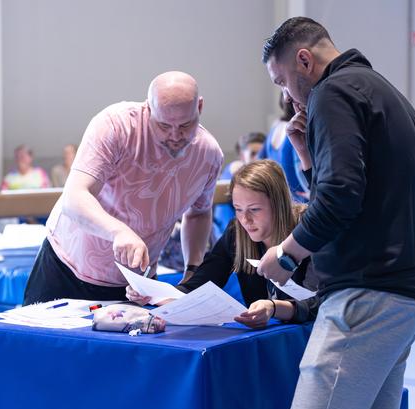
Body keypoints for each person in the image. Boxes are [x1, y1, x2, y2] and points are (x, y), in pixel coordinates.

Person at [259, 17, 415, 409]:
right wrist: (306, 157)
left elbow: (340, 198)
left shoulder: (332, 93)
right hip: (405, 293)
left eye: (282, 82)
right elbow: (361, 192)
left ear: (304, 60)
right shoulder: (383, 93)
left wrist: (285, 256)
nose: (287, 97)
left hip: (367, 296)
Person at [22, 71, 223, 305]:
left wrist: (193, 269)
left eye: (186, 125)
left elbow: (199, 213)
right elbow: (74, 196)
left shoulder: (209, 154)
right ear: (148, 108)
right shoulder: (116, 126)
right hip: (66, 268)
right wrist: (118, 231)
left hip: (137, 283)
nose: (175, 135)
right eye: (164, 125)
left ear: (199, 107)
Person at [127, 160, 318, 328]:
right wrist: (153, 295)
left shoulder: (308, 231)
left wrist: (274, 308)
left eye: (255, 209)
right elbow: (198, 286)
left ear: (279, 204)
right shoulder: (237, 233)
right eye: (238, 209)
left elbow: (320, 303)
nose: (245, 219)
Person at [212, 132, 266, 238]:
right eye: (253, 154)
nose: (259, 159)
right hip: (228, 235)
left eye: (263, 154)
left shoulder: (264, 177)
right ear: (242, 155)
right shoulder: (234, 172)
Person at [258, 94, 309, 202]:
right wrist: (312, 190)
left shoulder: (276, 125)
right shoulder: (296, 128)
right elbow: (298, 166)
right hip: (301, 194)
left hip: (281, 194)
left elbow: (259, 159)